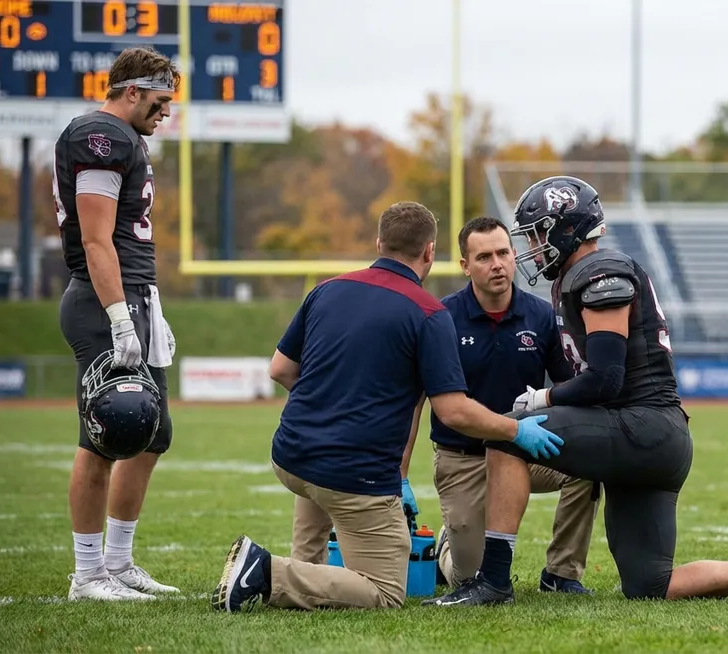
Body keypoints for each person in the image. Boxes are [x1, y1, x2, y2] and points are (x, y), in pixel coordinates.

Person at [423, 176, 728, 607]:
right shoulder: (576, 277)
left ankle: (495, 581)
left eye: (537, 233)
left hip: (640, 426)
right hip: (650, 439)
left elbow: (607, 379)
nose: (531, 246)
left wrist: (544, 399)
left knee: (509, 437)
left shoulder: (599, 272)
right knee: (650, 585)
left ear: (565, 228)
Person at [210, 202, 565, 614]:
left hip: (290, 456)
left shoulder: (328, 289)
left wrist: (328, 405)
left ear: (379, 243)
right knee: (384, 590)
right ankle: (265, 572)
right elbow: (451, 411)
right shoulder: (429, 312)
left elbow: (281, 369)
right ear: (430, 252)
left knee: (317, 489)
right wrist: (517, 430)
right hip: (349, 471)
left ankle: (300, 570)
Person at [54, 46, 181, 601]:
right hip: (107, 299)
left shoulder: (128, 140)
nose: (166, 111)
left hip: (136, 296)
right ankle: (87, 574)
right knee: (108, 432)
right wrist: (119, 321)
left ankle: (119, 562)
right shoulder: (100, 137)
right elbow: (96, 238)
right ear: (131, 91)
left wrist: (141, 311)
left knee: (152, 434)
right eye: (160, 100)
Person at [413, 216, 599, 594]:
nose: (497, 264)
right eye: (484, 257)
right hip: (462, 457)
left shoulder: (542, 314)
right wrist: (398, 476)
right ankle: (448, 548)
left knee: (589, 467)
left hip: (524, 449)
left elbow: (566, 382)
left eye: (503, 253)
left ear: (515, 255)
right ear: (465, 266)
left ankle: (561, 573)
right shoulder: (440, 319)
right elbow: (413, 401)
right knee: (469, 578)